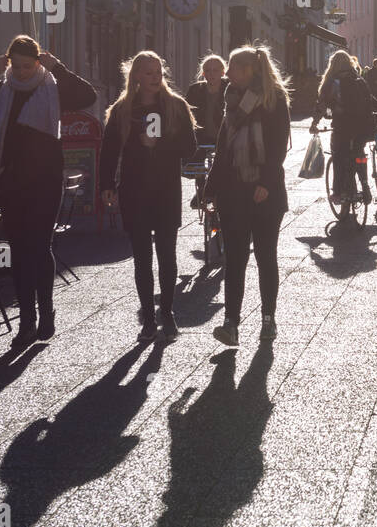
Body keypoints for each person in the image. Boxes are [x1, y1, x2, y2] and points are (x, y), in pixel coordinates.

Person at [0, 35, 96, 346]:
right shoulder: (1, 88)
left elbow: (88, 96)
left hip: (45, 181)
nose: (21, 72)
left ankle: (47, 313)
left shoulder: (54, 88)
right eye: (15, 66)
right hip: (11, 181)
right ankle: (26, 321)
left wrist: (61, 68)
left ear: (39, 63)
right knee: (18, 249)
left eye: (27, 66)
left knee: (40, 247)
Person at [100, 51, 198, 342]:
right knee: (141, 258)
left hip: (166, 191)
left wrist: (160, 143)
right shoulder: (123, 110)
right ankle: (147, 316)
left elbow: (190, 148)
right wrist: (106, 184)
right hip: (134, 191)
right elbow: (109, 151)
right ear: (136, 77)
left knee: (167, 255)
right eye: (149, 73)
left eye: (158, 72)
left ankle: (166, 313)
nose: (156, 78)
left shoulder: (176, 106)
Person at [207, 46, 292, 346]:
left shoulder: (273, 100)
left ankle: (268, 319)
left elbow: (279, 145)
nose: (227, 72)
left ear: (249, 71)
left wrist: (266, 182)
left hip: (264, 191)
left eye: (232, 67)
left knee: (266, 256)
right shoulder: (230, 99)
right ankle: (231, 323)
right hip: (234, 190)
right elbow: (223, 147)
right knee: (235, 259)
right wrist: (211, 189)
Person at [310, 49, 377, 205]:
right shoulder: (359, 80)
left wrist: (314, 123)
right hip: (364, 127)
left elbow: (322, 105)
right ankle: (364, 184)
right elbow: (373, 103)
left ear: (332, 65)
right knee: (358, 153)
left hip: (343, 127)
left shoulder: (332, 82)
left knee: (338, 156)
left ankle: (337, 193)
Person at [185, 54, 228, 209]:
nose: (211, 74)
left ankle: (218, 193)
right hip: (201, 136)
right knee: (196, 162)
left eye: (215, 70)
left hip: (223, 137)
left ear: (223, 72)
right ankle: (202, 189)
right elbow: (186, 113)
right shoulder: (195, 89)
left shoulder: (230, 88)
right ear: (203, 73)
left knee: (224, 165)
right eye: (207, 70)